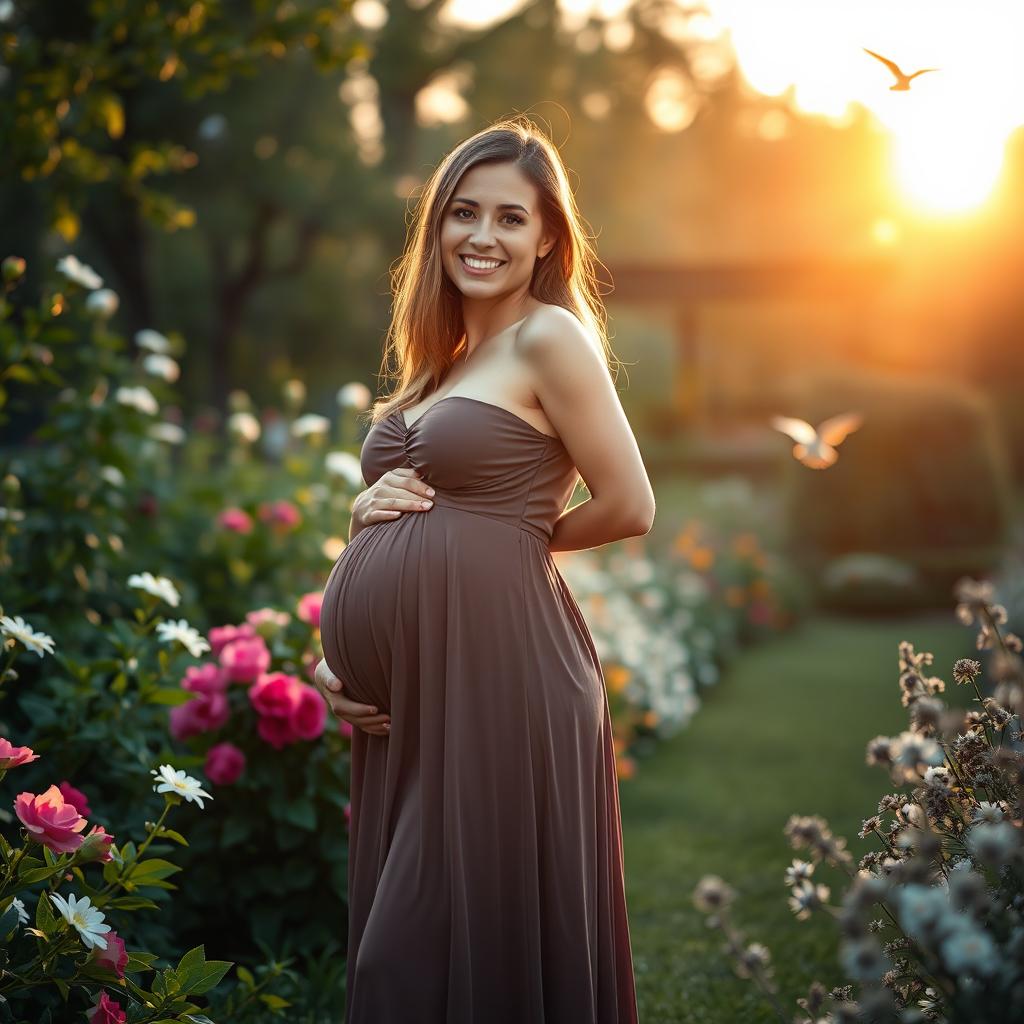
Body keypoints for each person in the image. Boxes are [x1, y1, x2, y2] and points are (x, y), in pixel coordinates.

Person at [314, 114, 654, 1023]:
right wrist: (335, 663)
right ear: (438, 227)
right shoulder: (437, 366)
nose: (483, 236)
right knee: (428, 962)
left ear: (547, 237)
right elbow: (402, 524)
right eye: (464, 213)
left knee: (413, 965)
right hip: (419, 695)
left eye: (511, 218)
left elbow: (631, 503)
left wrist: (508, 533)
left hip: (503, 678)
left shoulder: (550, 339)